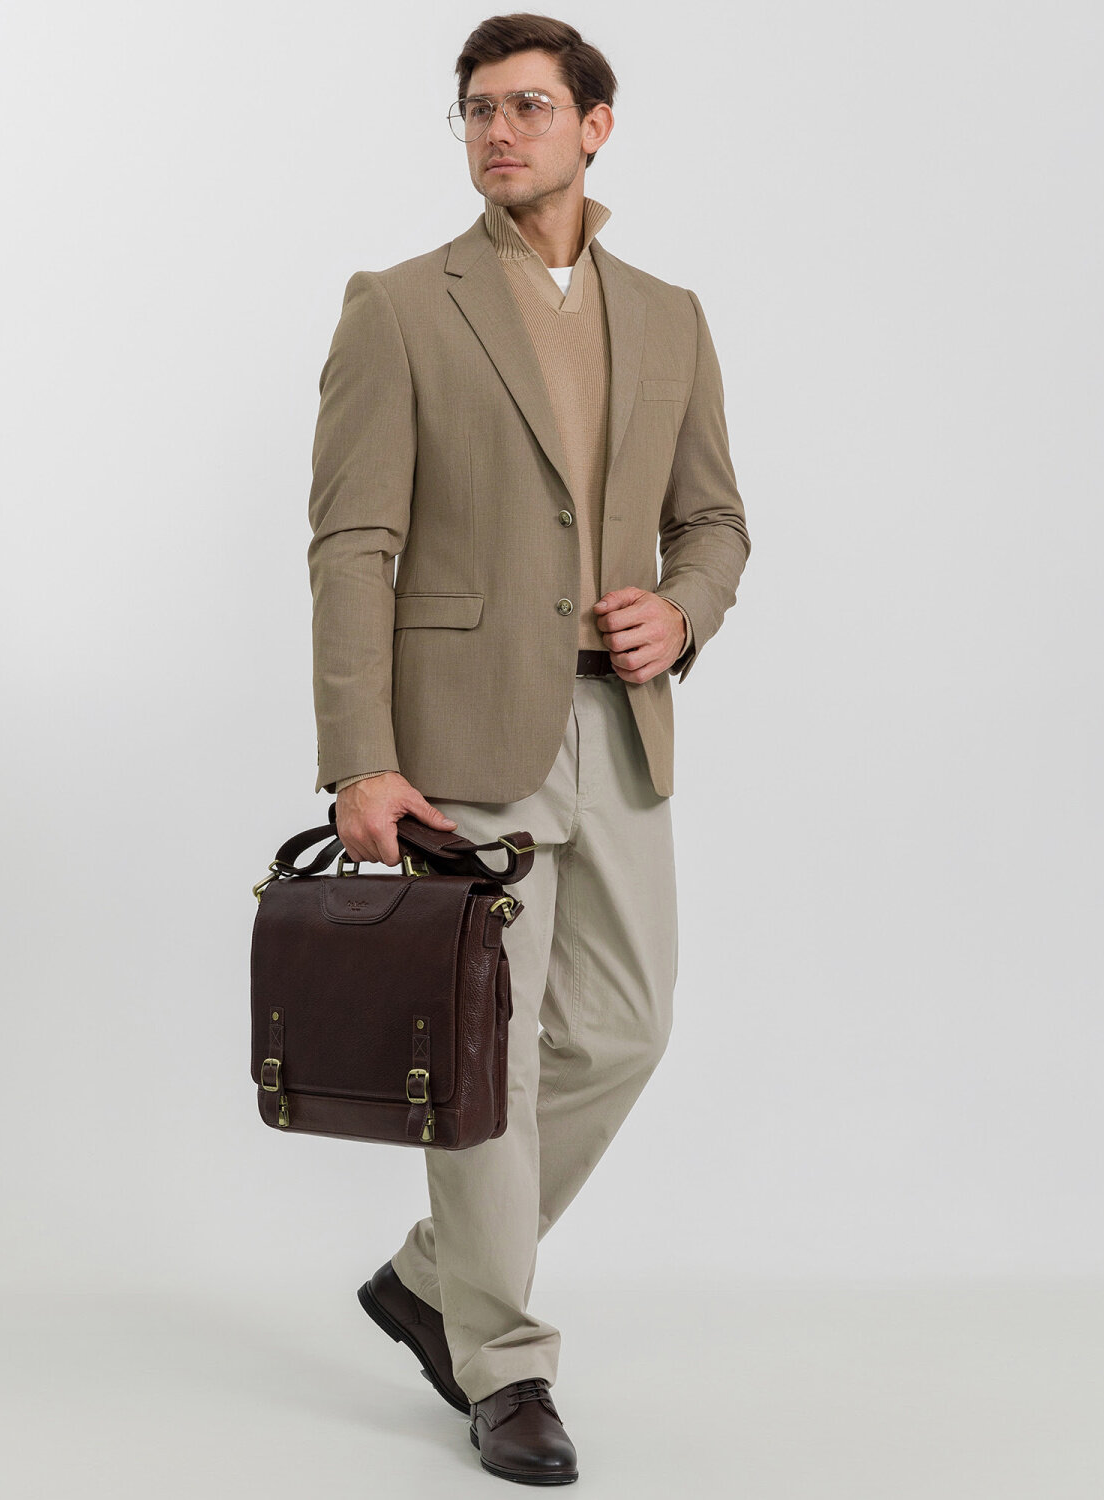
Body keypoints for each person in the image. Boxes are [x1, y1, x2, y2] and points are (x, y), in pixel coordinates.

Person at [307, 13, 750, 1485]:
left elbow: (714, 522)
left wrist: (681, 614)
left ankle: (431, 1276)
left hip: (617, 730)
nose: (499, 132)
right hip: (458, 739)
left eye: (530, 107)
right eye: (478, 110)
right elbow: (352, 545)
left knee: (625, 1029)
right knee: (485, 1055)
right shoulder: (400, 307)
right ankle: (502, 1359)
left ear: (596, 125)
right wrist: (358, 758)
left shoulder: (671, 316)